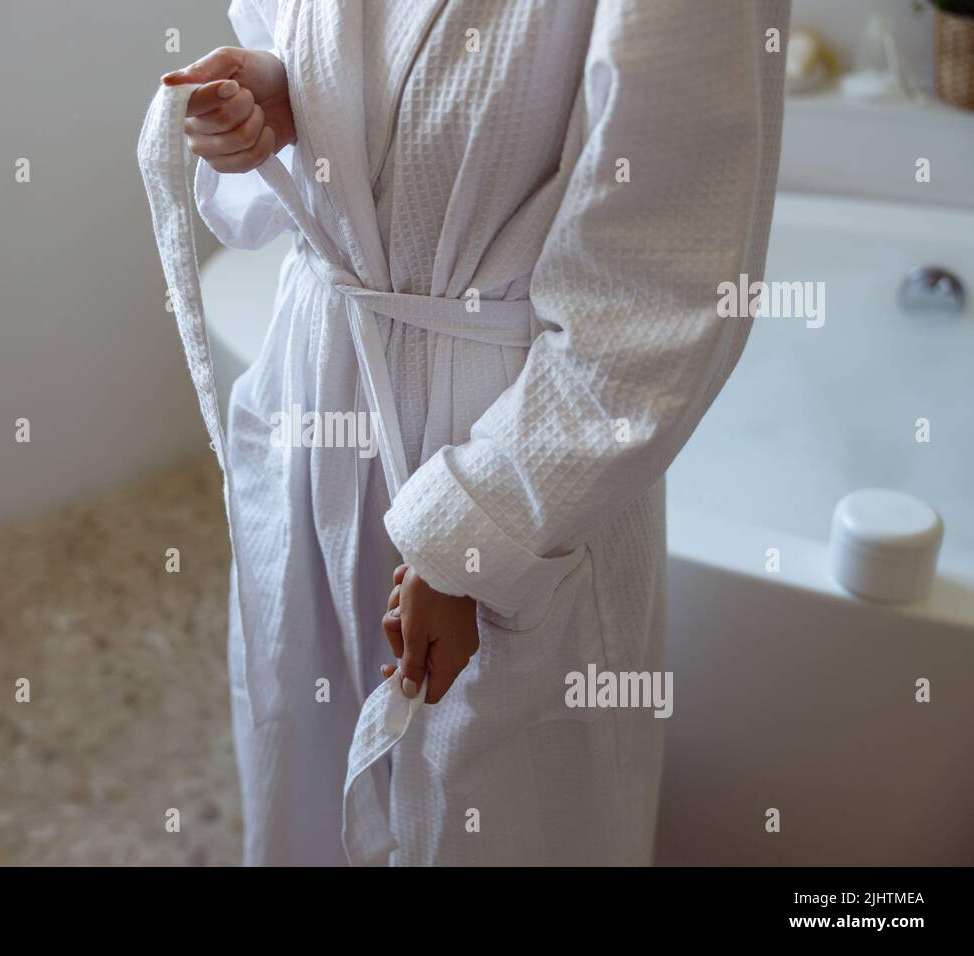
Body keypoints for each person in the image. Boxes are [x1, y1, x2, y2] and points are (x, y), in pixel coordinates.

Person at [146, 0, 789, 865]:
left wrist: (476, 536)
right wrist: (284, 97)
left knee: (502, 811)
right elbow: (306, 37)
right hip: (320, 376)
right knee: (305, 743)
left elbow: (663, 285)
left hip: (515, 439)